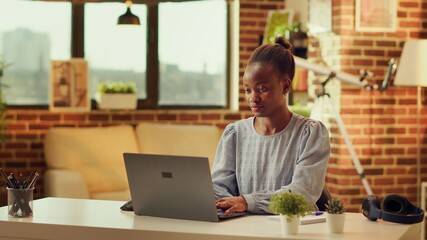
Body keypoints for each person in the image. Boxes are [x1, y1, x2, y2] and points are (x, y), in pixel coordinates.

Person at [211, 36, 331, 215]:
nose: (253, 97)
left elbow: (302, 194)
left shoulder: (311, 133)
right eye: (247, 90)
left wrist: (248, 201)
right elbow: (218, 187)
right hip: (243, 229)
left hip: (294, 230)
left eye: (261, 89)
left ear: (285, 86)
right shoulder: (234, 133)